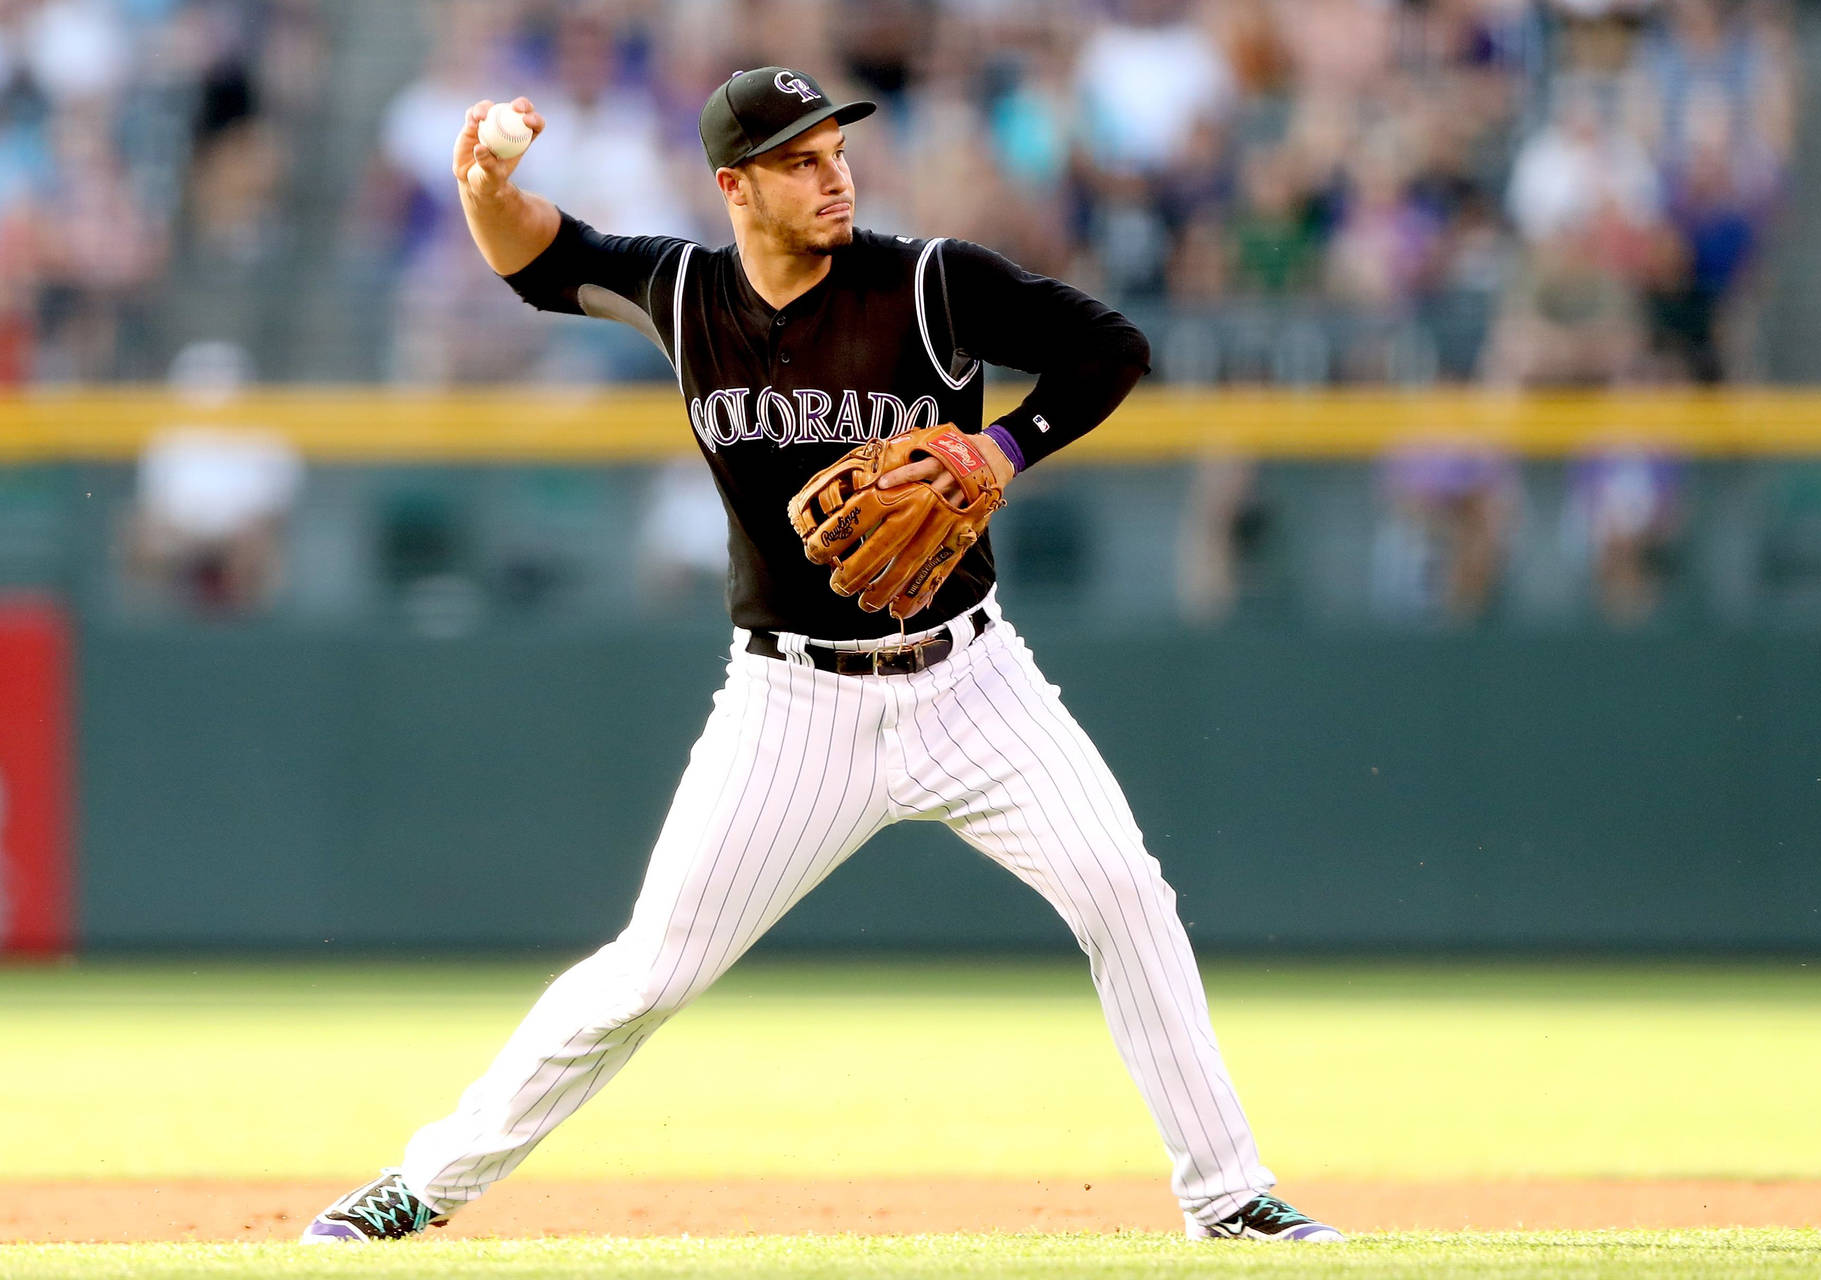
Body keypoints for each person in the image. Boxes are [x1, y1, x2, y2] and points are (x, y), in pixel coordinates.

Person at [300, 66, 1342, 1247]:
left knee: (1126, 894)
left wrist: (1007, 444)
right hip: (790, 699)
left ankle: (1227, 1193)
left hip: (973, 680)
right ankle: (421, 1183)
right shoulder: (683, 291)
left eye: (836, 150)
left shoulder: (932, 283)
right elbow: (539, 257)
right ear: (736, 185)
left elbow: (1111, 347)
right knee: (651, 970)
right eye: (800, 159)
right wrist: (486, 181)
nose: (833, 173)